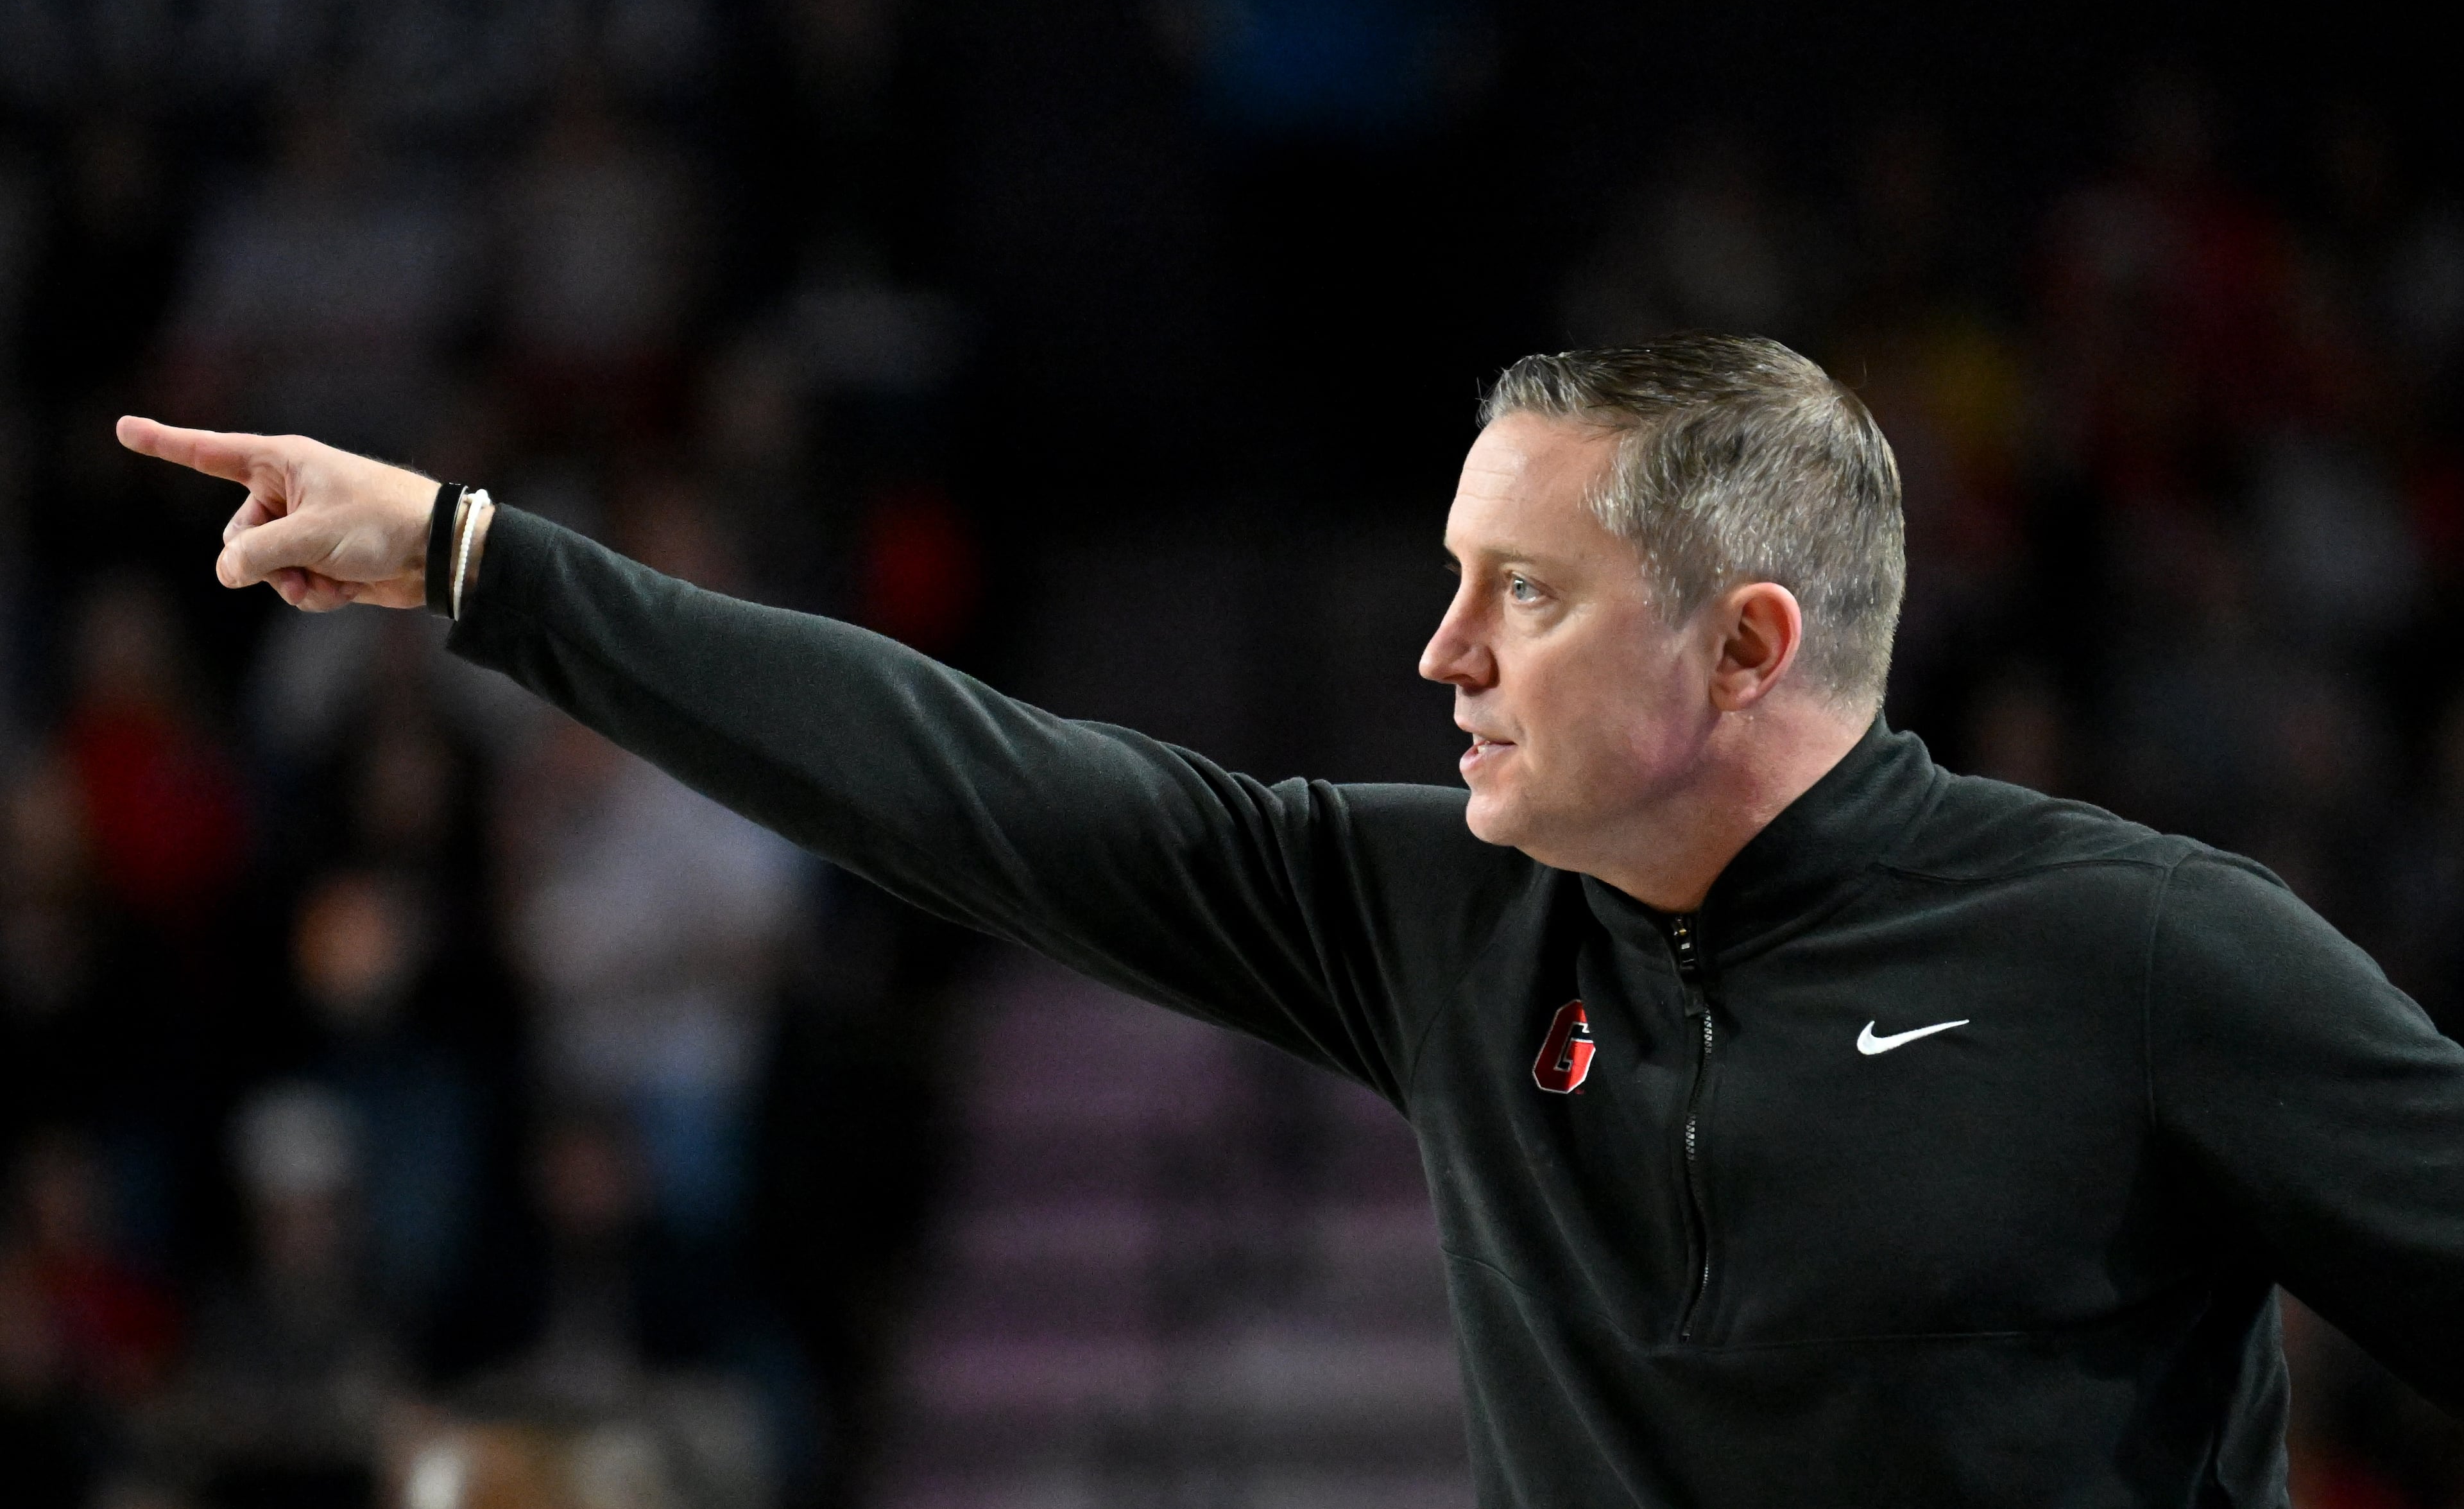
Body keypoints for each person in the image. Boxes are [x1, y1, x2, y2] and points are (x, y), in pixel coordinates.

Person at [117, 333, 2463, 1506]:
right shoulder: (1441, 920)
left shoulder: (2151, 959)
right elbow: (971, 786)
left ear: (1746, 650)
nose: (1438, 655)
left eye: (1517, 596)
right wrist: (475, 563)